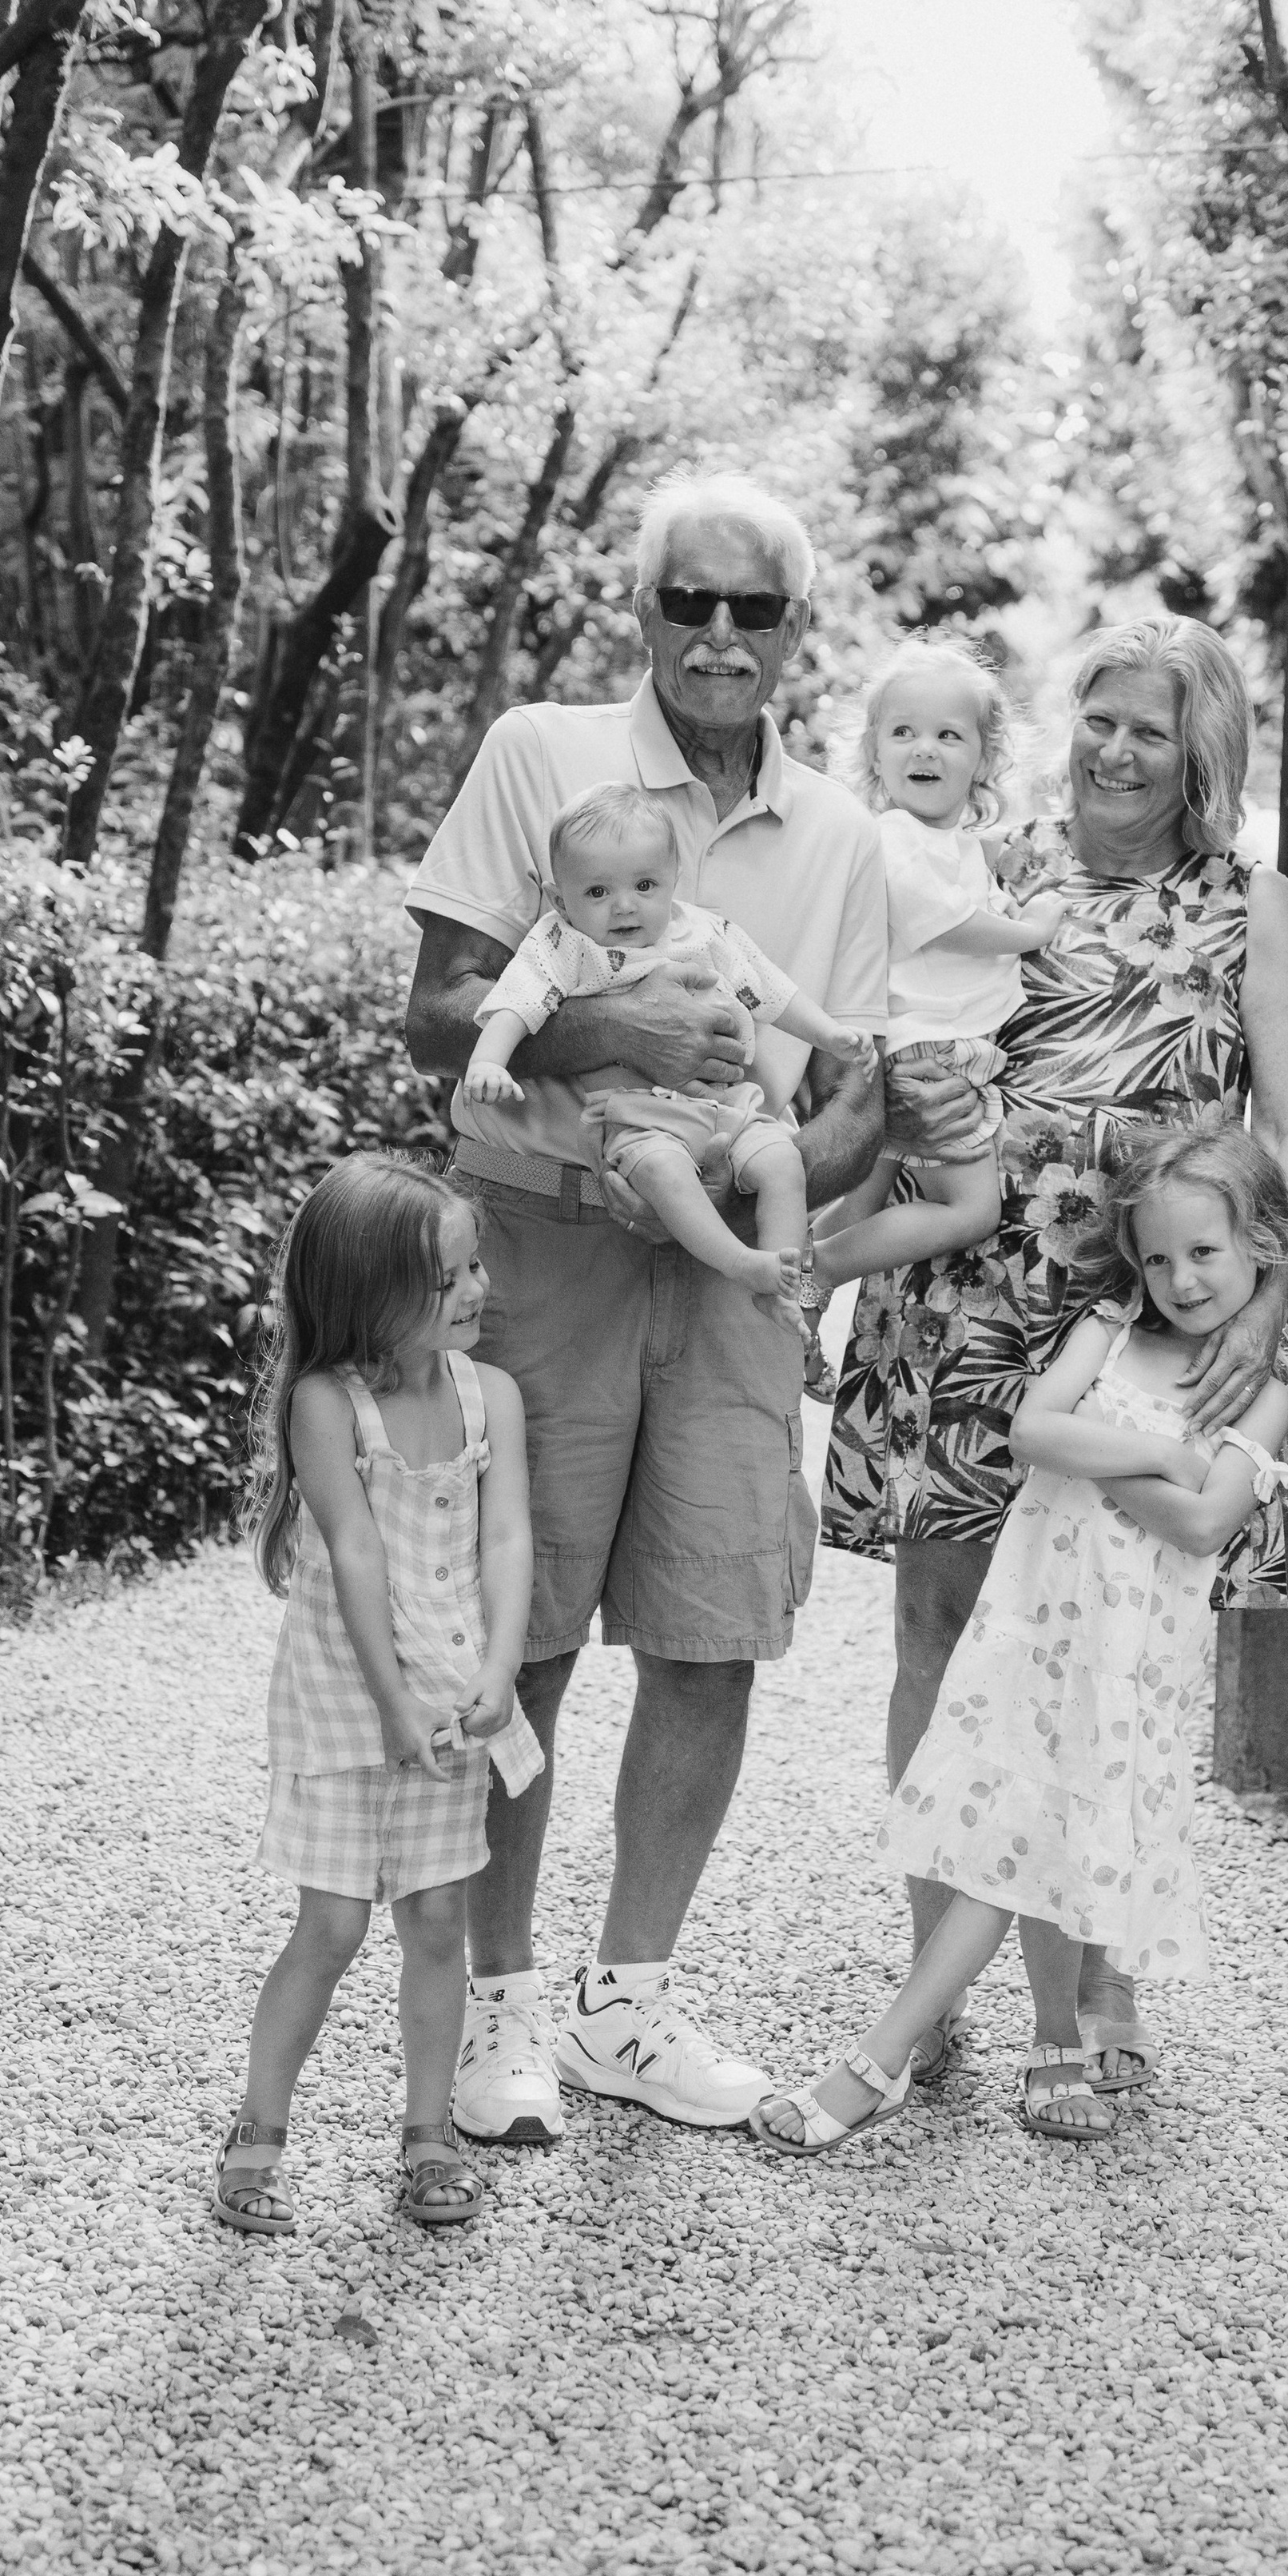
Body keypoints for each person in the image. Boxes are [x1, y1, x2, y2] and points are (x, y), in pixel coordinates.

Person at [403, 472, 888, 2143]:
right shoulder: (542, 754)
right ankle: (498, 2012)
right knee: (516, 1638)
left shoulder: (838, 832)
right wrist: (606, 1051)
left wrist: (773, 1188)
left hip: (735, 1277)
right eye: (688, 601)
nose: (717, 635)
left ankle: (630, 2004)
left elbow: (854, 1081)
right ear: (643, 611)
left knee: (710, 1641)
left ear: (795, 631)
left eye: (752, 610)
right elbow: (435, 1007)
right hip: (541, 1254)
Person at [822, 616, 1288, 2096]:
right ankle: (942, 1986)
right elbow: (879, 1044)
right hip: (962, 1286)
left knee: (1113, 1650)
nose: (1113, 748)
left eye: (1150, 730)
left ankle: (1091, 1988)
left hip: (1144, 1304)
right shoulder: (989, 858)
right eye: (1097, 716)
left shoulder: (1248, 899)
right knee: (942, 1624)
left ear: (1201, 755)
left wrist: (1264, 1305)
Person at [753, 1125, 1288, 2154]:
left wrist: (1128, 1465)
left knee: (1029, 1852)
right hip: (1035, 1637)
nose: (1178, 1280)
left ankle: (873, 2066)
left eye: (1203, 1254)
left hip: (1127, 1668)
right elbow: (1032, 1434)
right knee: (1013, 1843)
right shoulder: (1106, 1329)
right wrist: (1168, 1454)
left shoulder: (1262, 1394)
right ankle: (971, 2052)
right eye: (1156, 1257)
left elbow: (1202, 1523)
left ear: (1261, 1247)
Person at [213, 1155, 539, 2239]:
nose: (477, 1289)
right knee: (334, 1923)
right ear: (372, 1293)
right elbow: (352, 1555)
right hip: (348, 1704)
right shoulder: (327, 1406)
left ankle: (429, 2132)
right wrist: (393, 1706)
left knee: (438, 1917)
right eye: (451, 1278)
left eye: (476, 1266)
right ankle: (259, 2130)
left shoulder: (493, 1395)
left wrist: (496, 1671)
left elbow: (507, 1535)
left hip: (449, 1697)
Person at [463, 780, 870, 1330]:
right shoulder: (564, 945)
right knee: (662, 1172)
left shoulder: (704, 932)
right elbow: (517, 1001)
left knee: (783, 1162)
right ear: (562, 900)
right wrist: (488, 1061)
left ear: (673, 880)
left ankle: (785, 1282)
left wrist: (829, 1035)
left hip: (731, 1105)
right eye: (597, 893)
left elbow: (769, 990)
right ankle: (741, 1262)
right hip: (640, 1117)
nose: (624, 905)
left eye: (645, 885)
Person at [805, 646, 1064, 1300]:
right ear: (873, 753)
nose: (925, 750)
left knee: (866, 1198)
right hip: (934, 1051)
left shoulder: (944, 841)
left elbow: (978, 856)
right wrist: (1030, 930)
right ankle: (824, 1267)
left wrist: (1007, 862)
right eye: (904, 733)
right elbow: (944, 922)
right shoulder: (891, 836)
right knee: (969, 1211)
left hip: (923, 1041)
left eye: (949, 736)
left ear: (985, 756)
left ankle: (797, 1295)